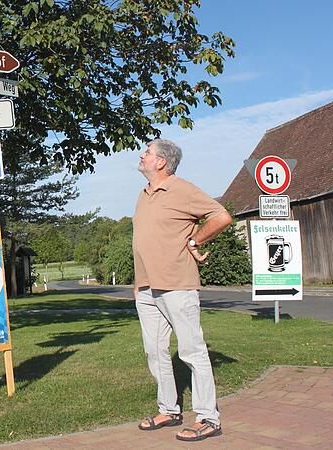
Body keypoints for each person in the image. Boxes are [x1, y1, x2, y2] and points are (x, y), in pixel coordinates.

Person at [132, 139, 232, 442]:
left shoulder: (182, 189)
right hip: (147, 287)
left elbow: (221, 216)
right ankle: (169, 409)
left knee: (191, 350)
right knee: (155, 351)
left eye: (147, 152)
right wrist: (138, 284)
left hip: (177, 283)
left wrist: (196, 240)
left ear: (162, 162)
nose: (142, 155)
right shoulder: (144, 194)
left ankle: (208, 418)